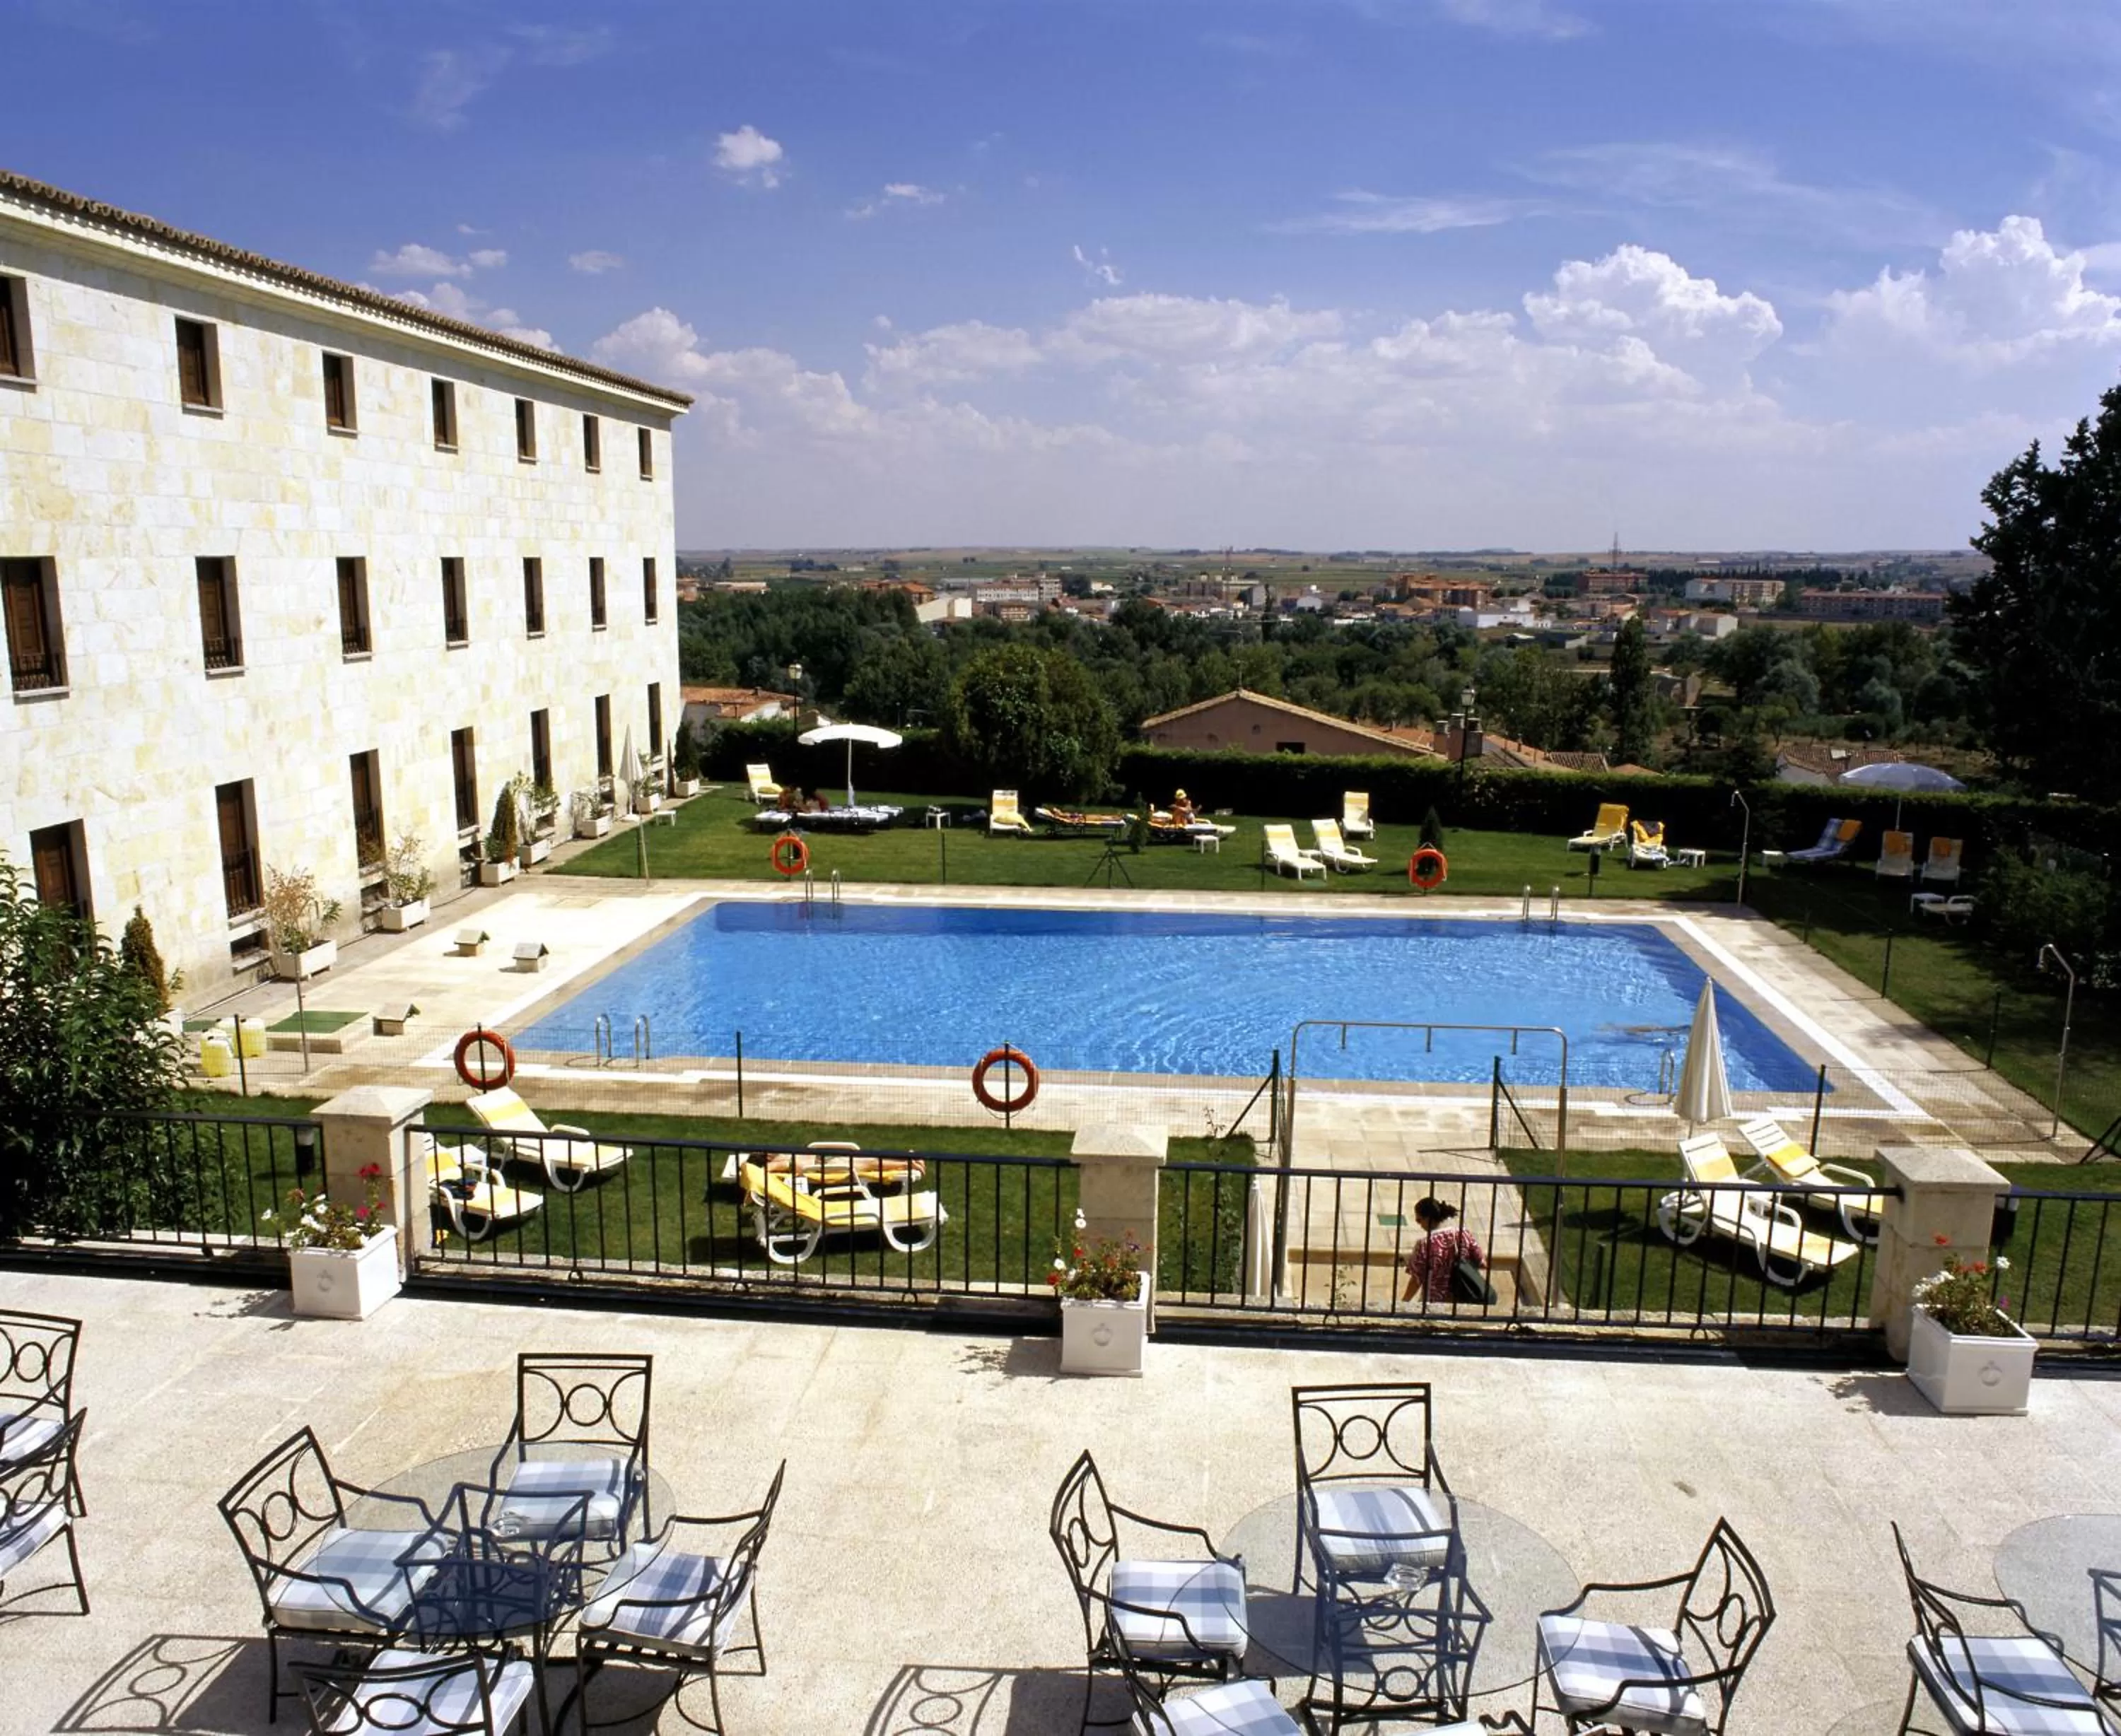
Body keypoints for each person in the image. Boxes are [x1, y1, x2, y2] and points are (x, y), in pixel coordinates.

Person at [1401, 1196, 1485, 1304]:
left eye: (1419, 1220)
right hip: (1463, 1300)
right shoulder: (1464, 1234)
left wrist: (1404, 1301)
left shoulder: (1424, 1244)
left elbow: (1417, 1279)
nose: (1419, 1225)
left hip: (1435, 1303)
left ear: (1428, 1218)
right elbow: (1482, 1263)